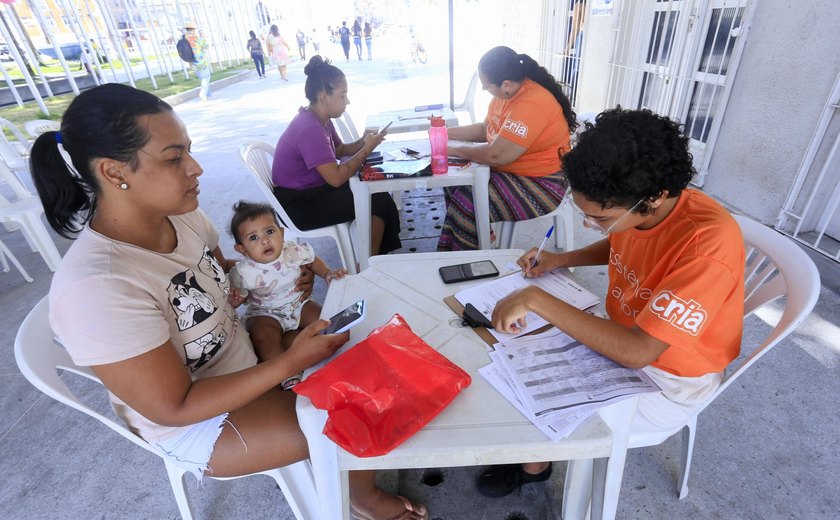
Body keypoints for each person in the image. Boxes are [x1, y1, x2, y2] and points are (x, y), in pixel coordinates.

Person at [29, 83, 427, 520]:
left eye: (189, 151)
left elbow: (225, 281)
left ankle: (352, 480)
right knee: (353, 406)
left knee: (378, 350)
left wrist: (276, 284)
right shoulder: (97, 286)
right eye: (174, 157)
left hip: (248, 355)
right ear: (112, 171)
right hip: (200, 419)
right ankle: (362, 498)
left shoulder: (183, 217)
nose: (195, 168)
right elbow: (174, 406)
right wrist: (286, 364)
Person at [477, 107, 745, 498]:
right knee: (506, 356)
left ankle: (537, 465)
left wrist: (537, 299)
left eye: (599, 218)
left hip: (670, 378)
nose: (592, 225)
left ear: (651, 200)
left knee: (531, 391)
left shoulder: (707, 247)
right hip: (621, 333)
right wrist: (561, 259)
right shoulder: (644, 209)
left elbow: (638, 351)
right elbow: (623, 236)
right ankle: (535, 456)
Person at [439, 46, 577, 251]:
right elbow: (485, 129)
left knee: (468, 200)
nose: (486, 91)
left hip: (544, 183)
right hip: (514, 172)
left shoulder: (532, 103)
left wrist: (456, 150)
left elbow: (496, 155)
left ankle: (466, 262)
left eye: (487, 87)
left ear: (505, 84)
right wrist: (443, 133)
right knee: (452, 181)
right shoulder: (505, 95)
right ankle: (478, 238)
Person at [272, 56, 402, 257]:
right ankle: (368, 266)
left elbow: (339, 150)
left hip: (313, 191)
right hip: (299, 205)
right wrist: (367, 149)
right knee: (377, 201)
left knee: (375, 192)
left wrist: (363, 140)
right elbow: (336, 177)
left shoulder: (319, 118)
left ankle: (372, 259)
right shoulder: (310, 128)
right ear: (324, 96)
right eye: (343, 96)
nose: (347, 101)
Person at [228, 200, 347, 388]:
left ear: (281, 233)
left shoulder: (291, 251)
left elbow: (312, 259)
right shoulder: (243, 272)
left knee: (326, 318)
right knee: (262, 337)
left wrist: (327, 273)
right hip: (264, 313)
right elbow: (235, 298)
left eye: (269, 231)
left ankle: (344, 345)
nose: (265, 240)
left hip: (298, 303)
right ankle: (286, 373)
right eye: (253, 238)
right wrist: (234, 301)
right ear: (241, 249)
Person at [185, 22, 211, 100]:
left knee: (202, 78)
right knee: (206, 77)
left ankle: (208, 94)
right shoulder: (198, 38)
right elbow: (207, 46)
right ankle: (203, 94)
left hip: (192, 63)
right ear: (193, 30)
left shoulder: (184, 39)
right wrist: (203, 37)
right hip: (201, 62)